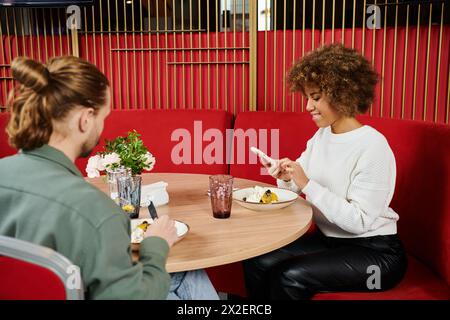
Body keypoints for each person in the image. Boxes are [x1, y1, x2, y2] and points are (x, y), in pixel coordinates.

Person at [0, 56, 218, 300]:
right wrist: (156, 245)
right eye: (103, 118)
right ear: (85, 120)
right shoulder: (98, 212)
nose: (101, 128)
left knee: (188, 274)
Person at [244, 44, 408, 300]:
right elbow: (297, 183)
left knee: (289, 276)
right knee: (257, 260)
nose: (308, 106)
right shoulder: (322, 136)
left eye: (316, 97)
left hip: (376, 255)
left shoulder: (373, 145)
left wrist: (306, 183)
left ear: (342, 94)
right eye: (307, 97)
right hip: (330, 242)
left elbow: (359, 222)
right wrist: (286, 176)